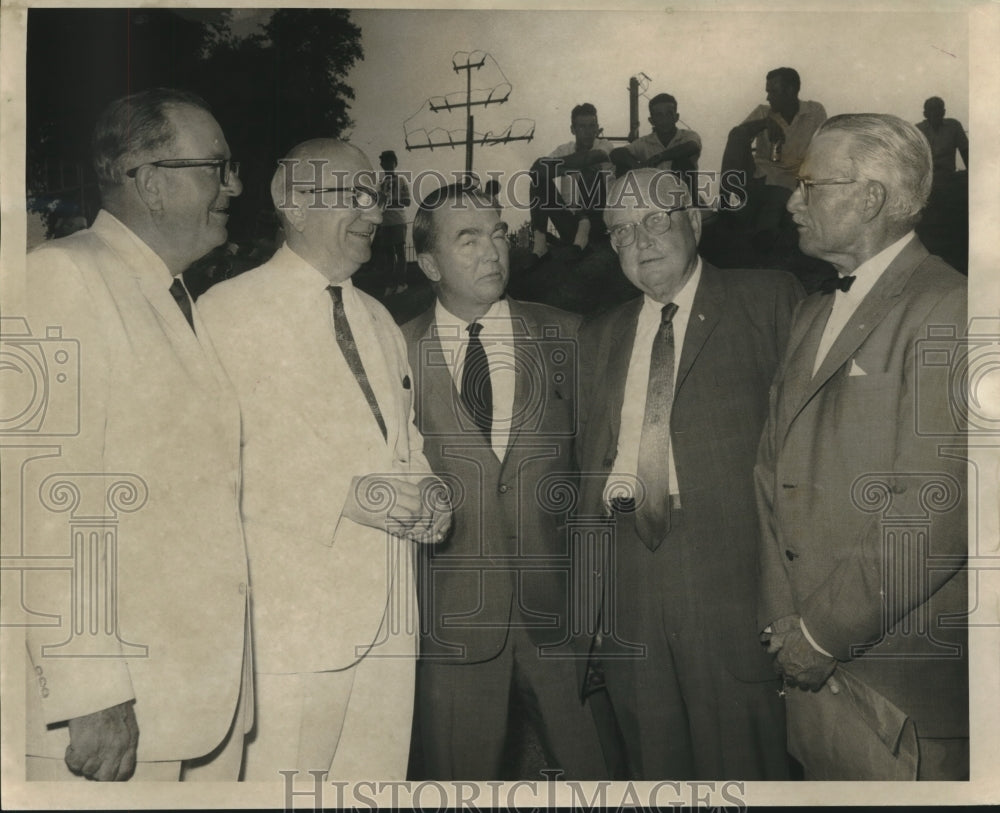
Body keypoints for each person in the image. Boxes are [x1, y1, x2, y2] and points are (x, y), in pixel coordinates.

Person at [197, 139, 451, 779]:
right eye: (354, 195)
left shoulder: (378, 318)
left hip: (392, 618)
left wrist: (432, 497)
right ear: (294, 204)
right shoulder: (228, 313)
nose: (374, 211)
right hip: (295, 624)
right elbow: (222, 465)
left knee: (374, 786)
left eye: (376, 197)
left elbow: (404, 444)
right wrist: (359, 498)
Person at [23, 88, 252, 781]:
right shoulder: (61, 278)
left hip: (190, 700)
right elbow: (43, 502)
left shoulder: (173, 294)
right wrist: (91, 689)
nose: (234, 185)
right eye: (217, 166)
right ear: (150, 182)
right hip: (110, 719)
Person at [756, 114, 968, 780]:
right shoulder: (812, 309)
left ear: (870, 197)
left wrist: (821, 632)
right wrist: (787, 622)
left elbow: (934, 505)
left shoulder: (951, 307)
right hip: (809, 672)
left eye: (810, 186)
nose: (793, 202)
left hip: (893, 688)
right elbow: (771, 473)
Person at [575, 168, 803, 778]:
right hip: (627, 573)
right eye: (621, 231)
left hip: (731, 571)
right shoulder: (600, 334)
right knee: (653, 762)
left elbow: (806, 453)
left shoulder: (770, 299)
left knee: (746, 759)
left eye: (657, 219)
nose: (641, 240)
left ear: (695, 221)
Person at [401, 184, 609, 780]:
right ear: (429, 262)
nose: (492, 250)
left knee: (599, 777)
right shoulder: (395, 351)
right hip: (451, 628)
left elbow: (599, 476)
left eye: (497, 233)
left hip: (564, 620)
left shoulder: (571, 335)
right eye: (467, 239)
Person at [722, 68, 826, 244]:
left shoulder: (814, 111)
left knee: (773, 210)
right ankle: (725, 204)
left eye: (773, 91)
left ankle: (764, 235)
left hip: (794, 178)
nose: (768, 97)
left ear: (791, 90)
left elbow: (824, 146)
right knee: (737, 135)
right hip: (760, 174)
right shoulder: (764, 112)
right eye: (767, 91)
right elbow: (737, 136)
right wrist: (764, 123)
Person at [527, 102, 615, 263]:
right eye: (582, 127)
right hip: (570, 222)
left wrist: (560, 168)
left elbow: (596, 156)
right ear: (573, 129)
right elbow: (536, 169)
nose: (588, 132)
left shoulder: (605, 145)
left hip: (599, 222)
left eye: (591, 126)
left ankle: (583, 234)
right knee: (538, 180)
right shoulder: (564, 149)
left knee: (590, 167)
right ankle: (540, 245)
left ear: (597, 128)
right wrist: (568, 165)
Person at [609, 93, 701, 199]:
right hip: (653, 203)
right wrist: (635, 166)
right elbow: (615, 154)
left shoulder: (688, 135)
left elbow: (692, 147)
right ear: (651, 120)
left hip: (684, 200)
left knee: (682, 161)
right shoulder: (645, 142)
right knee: (623, 166)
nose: (665, 120)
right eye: (659, 115)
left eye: (669, 114)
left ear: (676, 117)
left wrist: (659, 157)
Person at [373, 149, 412, 297]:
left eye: (390, 161)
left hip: (398, 220)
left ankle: (402, 283)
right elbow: (378, 204)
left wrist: (392, 201)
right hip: (385, 222)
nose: (387, 165)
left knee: (400, 252)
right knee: (388, 255)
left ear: (395, 163)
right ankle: (390, 285)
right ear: (382, 164)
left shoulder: (401, 180)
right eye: (384, 162)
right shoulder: (380, 184)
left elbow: (407, 201)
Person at [915, 97, 969, 182]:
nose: (935, 114)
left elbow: (966, 152)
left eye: (938, 110)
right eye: (931, 110)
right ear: (925, 114)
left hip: (949, 177)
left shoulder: (954, 126)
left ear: (943, 112)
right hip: (927, 180)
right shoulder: (917, 130)